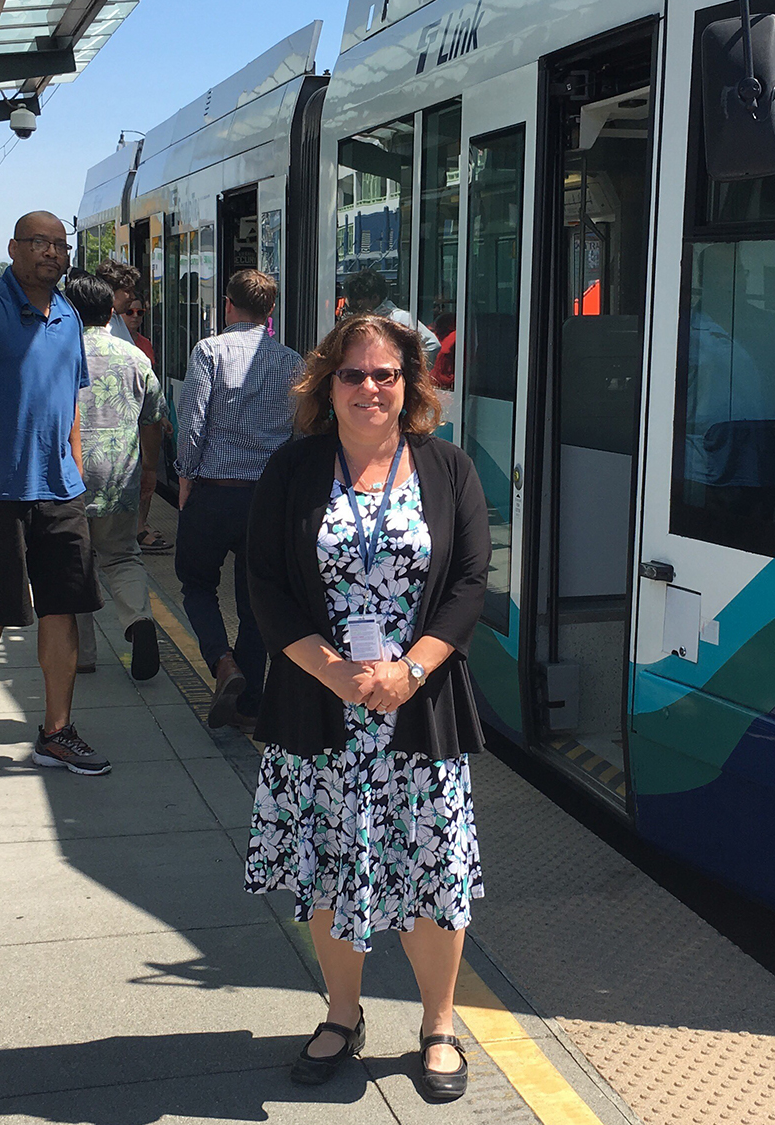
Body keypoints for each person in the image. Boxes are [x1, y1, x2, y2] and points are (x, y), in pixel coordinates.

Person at [244, 313, 491, 1101]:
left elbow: (470, 583)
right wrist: (332, 670)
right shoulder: (292, 470)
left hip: (417, 707)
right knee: (326, 867)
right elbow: (265, 587)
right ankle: (342, 1014)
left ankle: (440, 1023)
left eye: (387, 374)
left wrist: (408, 671)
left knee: (432, 867)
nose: (371, 387)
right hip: (322, 710)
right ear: (328, 385)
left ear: (411, 383)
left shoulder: (448, 469)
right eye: (353, 374)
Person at [0, 212, 109, 776]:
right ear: (14, 247)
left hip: (59, 491)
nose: (53, 253)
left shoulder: (68, 315)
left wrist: (76, 475)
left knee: (65, 609)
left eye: (61, 245)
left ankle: (56, 731)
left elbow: (70, 404)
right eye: (41, 243)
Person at [175, 268, 303, 730]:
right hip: (266, 500)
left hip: (214, 492)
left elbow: (193, 421)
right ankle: (251, 705)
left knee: (195, 585)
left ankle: (222, 663)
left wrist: (186, 476)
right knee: (255, 601)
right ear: (271, 311)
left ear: (228, 305)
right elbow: (300, 432)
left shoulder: (209, 351)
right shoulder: (293, 361)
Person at [63, 273, 166, 680]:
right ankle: (139, 620)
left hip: (67, 476)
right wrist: (151, 469)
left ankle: (83, 655)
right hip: (119, 474)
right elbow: (153, 419)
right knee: (121, 555)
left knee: (72, 562)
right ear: (111, 312)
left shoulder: (57, 352)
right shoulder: (134, 356)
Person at [93, 259, 169, 555]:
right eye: (128, 295)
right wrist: (150, 465)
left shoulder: (115, 329)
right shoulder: (114, 334)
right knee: (119, 555)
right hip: (117, 441)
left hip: (114, 439)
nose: (131, 304)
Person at [343, 269, 439, 372]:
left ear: (375, 298)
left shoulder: (399, 318)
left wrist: (411, 372)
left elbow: (432, 344)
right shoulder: (363, 321)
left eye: (359, 300)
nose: (356, 306)